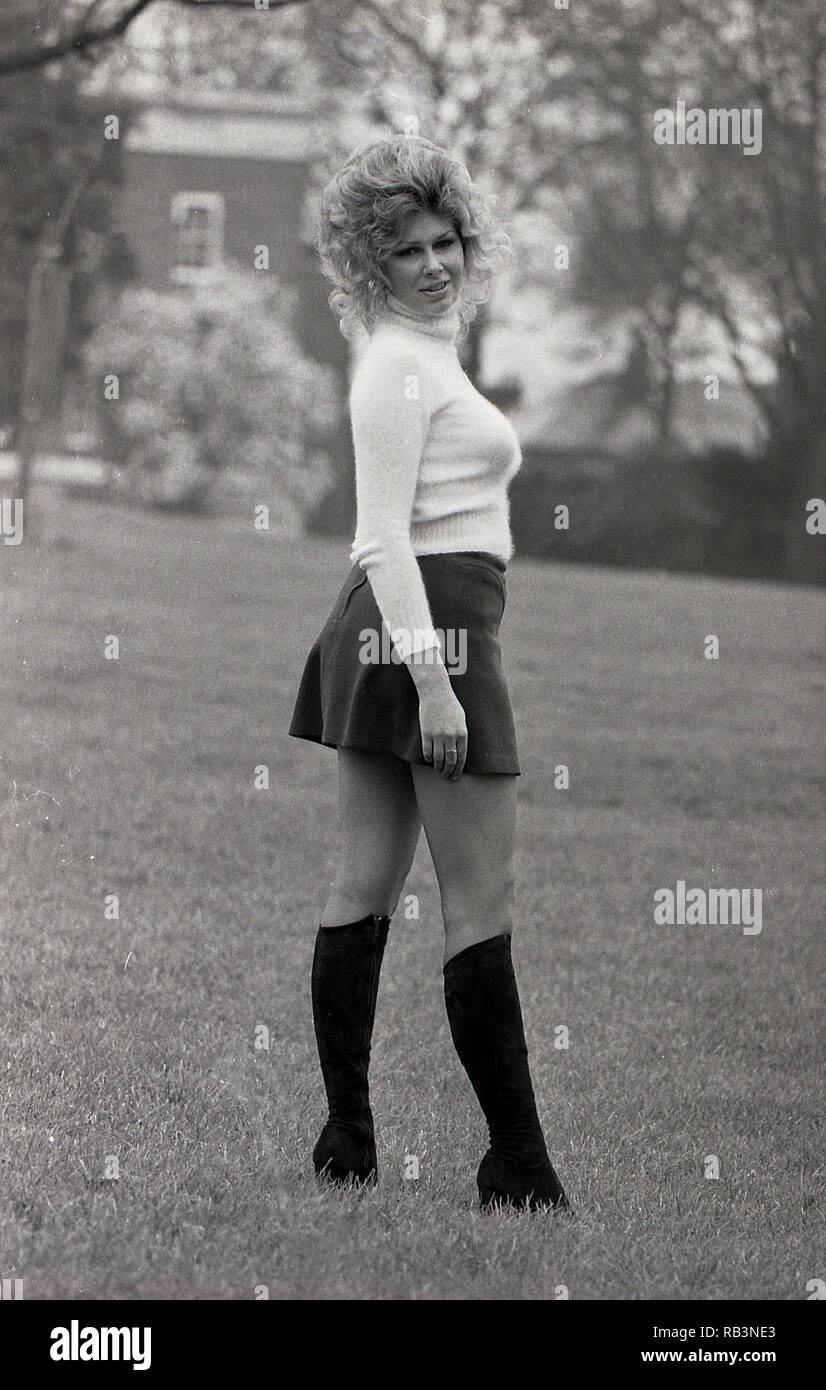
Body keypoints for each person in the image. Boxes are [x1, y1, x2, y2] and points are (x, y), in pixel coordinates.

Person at [288, 135, 569, 1213]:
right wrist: (439, 680)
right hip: (425, 633)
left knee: (362, 881)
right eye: (406, 250)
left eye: (445, 239)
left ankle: (346, 1142)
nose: (435, 261)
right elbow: (379, 537)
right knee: (479, 899)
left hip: (409, 631)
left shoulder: (420, 350)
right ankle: (518, 1166)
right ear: (373, 265)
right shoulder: (396, 368)